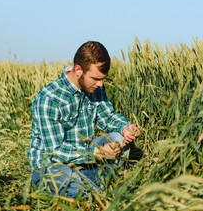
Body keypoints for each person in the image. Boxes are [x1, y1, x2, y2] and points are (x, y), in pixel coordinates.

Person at [27, 41, 141, 198]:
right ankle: (98, 190)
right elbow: (54, 151)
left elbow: (107, 116)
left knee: (117, 138)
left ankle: (96, 187)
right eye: (95, 78)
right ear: (78, 70)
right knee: (87, 193)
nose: (100, 84)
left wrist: (125, 128)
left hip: (86, 161)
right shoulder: (49, 98)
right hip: (53, 167)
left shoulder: (95, 87)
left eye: (103, 79)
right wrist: (97, 152)